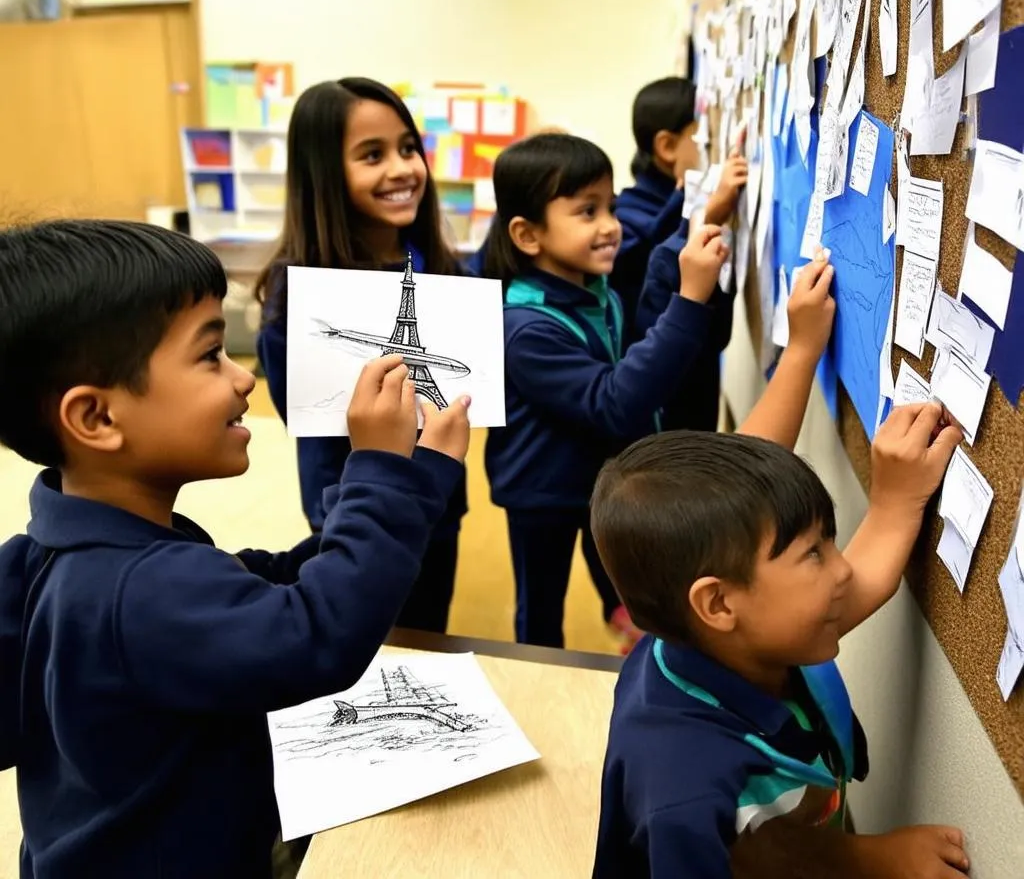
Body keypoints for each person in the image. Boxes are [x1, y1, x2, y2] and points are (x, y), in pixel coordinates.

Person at [0, 219, 471, 879]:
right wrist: (385, 476)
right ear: (97, 418)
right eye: (210, 355)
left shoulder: (62, 550)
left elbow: (266, 586)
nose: (243, 379)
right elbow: (317, 636)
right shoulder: (140, 589)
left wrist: (405, 482)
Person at [482, 132, 835, 650]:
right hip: (542, 493)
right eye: (587, 212)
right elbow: (615, 402)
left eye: (609, 207)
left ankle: (630, 636)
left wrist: (700, 229)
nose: (610, 226)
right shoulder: (525, 328)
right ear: (528, 235)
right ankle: (535, 668)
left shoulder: (588, 289)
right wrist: (690, 298)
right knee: (541, 609)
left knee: (619, 582)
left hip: (595, 481)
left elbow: (643, 339)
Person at [589, 407, 969, 879]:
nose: (843, 569)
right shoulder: (685, 802)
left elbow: (858, 583)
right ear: (718, 604)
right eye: (813, 553)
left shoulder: (710, 639)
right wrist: (875, 861)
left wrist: (894, 503)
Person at [255, 77, 467, 634]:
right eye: (372, 155)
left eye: (407, 148)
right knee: (362, 634)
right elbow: (303, 415)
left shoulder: (441, 267)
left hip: (440, 496)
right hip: (349, 505)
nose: (401, 169)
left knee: (426, 627)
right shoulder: (294, 301)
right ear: (323, 172)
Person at [611, 76, 747, 338]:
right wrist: (708, 220)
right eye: (705, 139)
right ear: (667, 146)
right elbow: (659, 278)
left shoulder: (675, 200)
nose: (713, 150)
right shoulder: (628, 219)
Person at [634, 142, 749, 432]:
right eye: (587, 211)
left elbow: (714, 338)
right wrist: (707, 223)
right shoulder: (657, 259)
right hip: (677, 441)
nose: (610, 226)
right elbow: (661, 372)